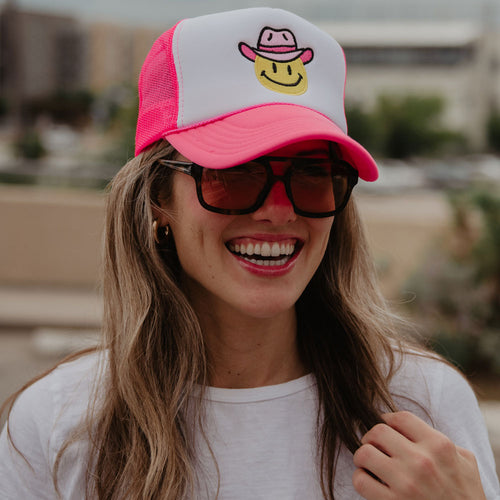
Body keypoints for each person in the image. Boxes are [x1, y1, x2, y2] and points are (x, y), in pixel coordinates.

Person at [0, 7, 499, 500]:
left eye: (311, 172)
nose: (279, 211)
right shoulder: (58, 427)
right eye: (234, 171)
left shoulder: (424, 409)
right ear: (158, 201)